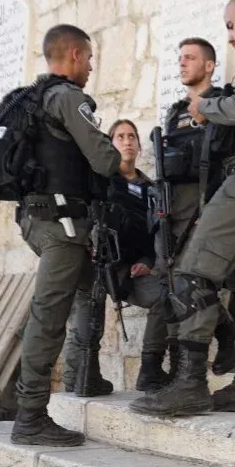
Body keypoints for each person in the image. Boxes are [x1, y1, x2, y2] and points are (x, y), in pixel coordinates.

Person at [132, 0, 235, 417]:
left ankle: (189, 384)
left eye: (229, 26)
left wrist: (205, 106)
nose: (229, 37)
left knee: (192, 273)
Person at [11, 24, 121, 447]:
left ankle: (84, 375)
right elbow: (105, 159)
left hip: (40, 220)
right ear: (74, 55)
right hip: (61, 225)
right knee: (48, 317)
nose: (91, 67)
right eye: (90, 58)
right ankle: (31, 416)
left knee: (85, 294)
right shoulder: (68, 98)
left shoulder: (34, 98)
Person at [60, 119, 175, 395]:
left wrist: (148, 263)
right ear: (110, 144)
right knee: (86, 327)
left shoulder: (151, 189)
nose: (127, 141)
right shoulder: (99, 181)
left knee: (166, 297)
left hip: (130, 273)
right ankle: (75, 382)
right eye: (120, 136)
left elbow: (154, 234)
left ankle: (150, 369)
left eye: (132, 136)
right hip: (96, 266)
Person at [155, 37, 235, 382]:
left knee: (194, 282)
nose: (182, 63)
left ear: (209, 66)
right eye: (180, 58)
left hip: (206, 206)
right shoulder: (175, 113)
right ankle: (178, 370)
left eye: (190, 58)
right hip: (172, 210)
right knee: (173, 284)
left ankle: (225, 334)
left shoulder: (220, 105)